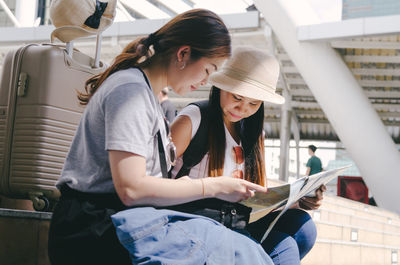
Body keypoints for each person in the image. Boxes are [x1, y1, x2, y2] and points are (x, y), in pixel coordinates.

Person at [48, 9, 274, 265]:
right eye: (208, 69)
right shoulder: (130, 91)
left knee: (241, 248)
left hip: (121, 221)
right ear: (183, 54)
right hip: (96, 228)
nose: (206, 81)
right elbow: (131, 189)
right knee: (240, 251)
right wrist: (212, 186)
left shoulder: (144, 95)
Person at [170, 47, 326, 265]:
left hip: (235, 219)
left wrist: (298, 199)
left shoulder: (252, 132)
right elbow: (155, 179)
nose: (242, 108)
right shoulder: (193, 119)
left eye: (254, 103)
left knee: (303, 226)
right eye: (237, 97)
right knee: (285, 248)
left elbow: (252, 199)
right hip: (196, 219)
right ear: (221, 86)